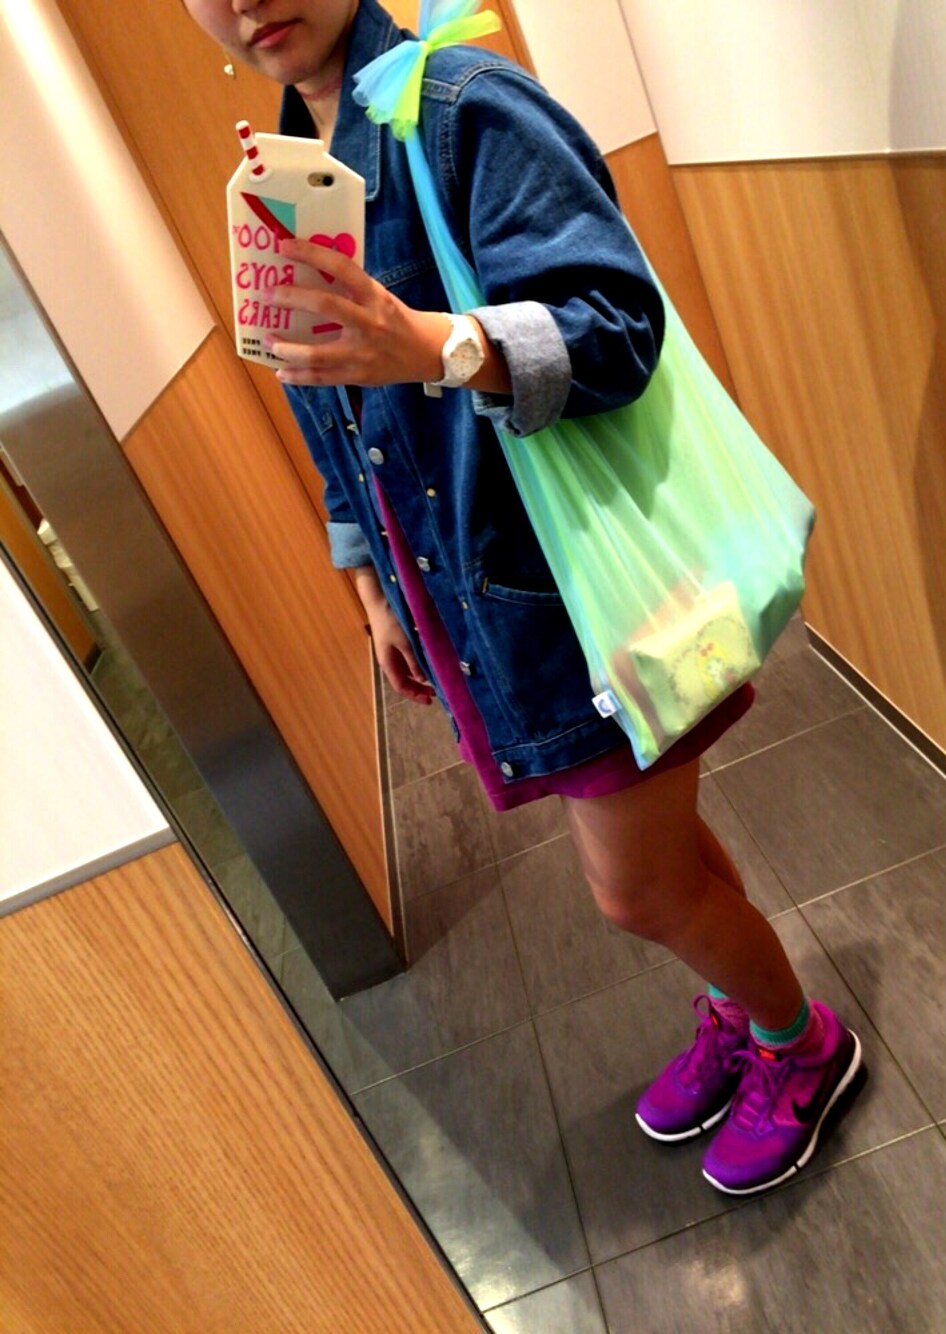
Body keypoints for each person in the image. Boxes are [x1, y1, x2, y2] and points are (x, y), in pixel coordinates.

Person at [183, 0, 863, 1195]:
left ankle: (801, 1042)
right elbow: (321, 396)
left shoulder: (463, 107)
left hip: (581, 596)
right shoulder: (288, 172)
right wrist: (371, 585)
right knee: (663, 858)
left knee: (633, 888)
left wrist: (442, 345)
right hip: (479, 606)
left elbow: (619, 327)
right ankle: (740, 1006)